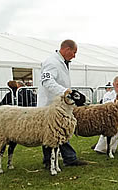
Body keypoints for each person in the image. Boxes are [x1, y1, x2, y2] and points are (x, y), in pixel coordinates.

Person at [38, 39, 88, 168]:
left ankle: (68, 158)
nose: (74, 56)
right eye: (74, 52)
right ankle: (51, 160)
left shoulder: (62, 62)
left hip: (60, 105)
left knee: (60, 131)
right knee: (50, 132)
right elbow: (47, 82)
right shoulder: (51, 62)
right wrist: (64, 91)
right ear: (67, 49)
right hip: (50, 104)